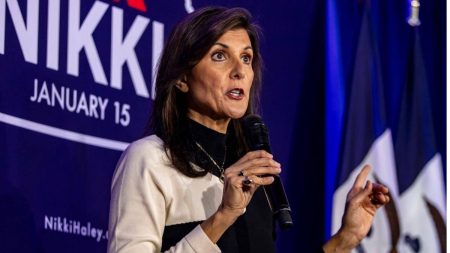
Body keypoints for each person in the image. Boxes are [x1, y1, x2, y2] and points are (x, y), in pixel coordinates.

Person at [107, 6, 390, 253]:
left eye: (246, 58)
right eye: (220, 56)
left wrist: (346, 239)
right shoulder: (151, 160)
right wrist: (224, 216)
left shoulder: (251, 173)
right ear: (182, 77)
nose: (240, 70)